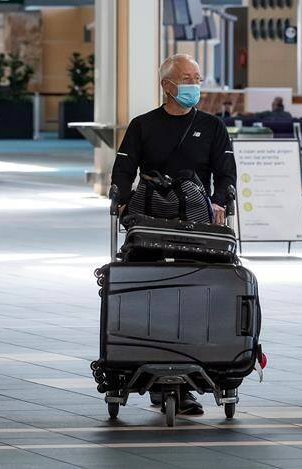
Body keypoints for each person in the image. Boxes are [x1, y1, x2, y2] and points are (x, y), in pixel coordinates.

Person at [110, 53, 236, 416]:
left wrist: (220, 202)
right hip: (151, 224)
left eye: (197, 77)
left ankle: (188, 383)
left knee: (196, 298)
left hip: (197, 225)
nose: (195, 84)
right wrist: (119, 201)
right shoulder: (142, 125)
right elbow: (123, 170)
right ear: (167, 86)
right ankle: (154, 374)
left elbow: (226, 174)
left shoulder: (213, 127)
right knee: (151, 293)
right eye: (187, 78)